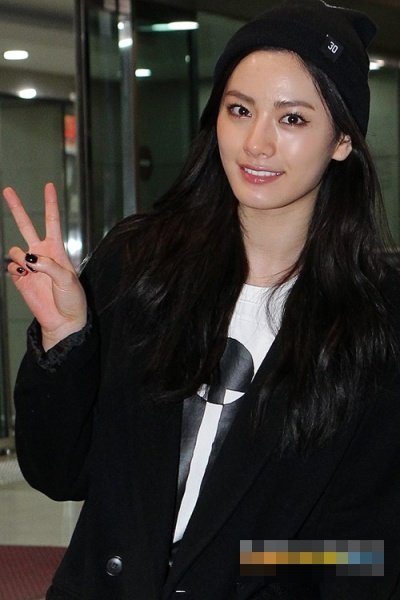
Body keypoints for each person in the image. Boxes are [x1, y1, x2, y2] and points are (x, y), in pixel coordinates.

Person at [3, 0, 400, 598]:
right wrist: (66, 341)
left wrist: (232, 571)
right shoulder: (141, 265)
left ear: (342, 139)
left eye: (293, 119)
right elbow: (60, 472)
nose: (257, 143)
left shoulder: (377, 317)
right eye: (239, 110)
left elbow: (366, 551)